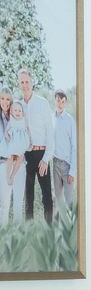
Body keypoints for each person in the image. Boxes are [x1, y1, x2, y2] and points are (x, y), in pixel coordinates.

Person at [18, 70, 54, 223]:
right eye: (22, 82)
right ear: (19, 84)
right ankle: (29, 231)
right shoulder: (18, 106)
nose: (25, 85)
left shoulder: (42, 103)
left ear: (32, 83)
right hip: (27, 156)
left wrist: (46, 159)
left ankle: (49, 230)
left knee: (47, 196)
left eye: (27, 82)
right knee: (29, 197)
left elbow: (50, 134)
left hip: (42, 155)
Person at [49, 90, 76, 213]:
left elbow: (74, 146)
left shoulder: (69, 120)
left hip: (67, 165)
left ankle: (70, 225)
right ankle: (60, 224)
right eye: (58, 100)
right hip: (55, 164)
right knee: (58, 201)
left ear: (65, 103)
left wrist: (72, 171)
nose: (60, 104)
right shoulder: (51, 119)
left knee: (69, 201)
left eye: (63, 101)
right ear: (55, 101)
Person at [0, 93, 23, 225]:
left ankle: (2, 233)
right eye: (2, 98)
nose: (5, 102)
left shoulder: (15, 119)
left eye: (8, 99)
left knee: (5, 203)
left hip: (6, 163)